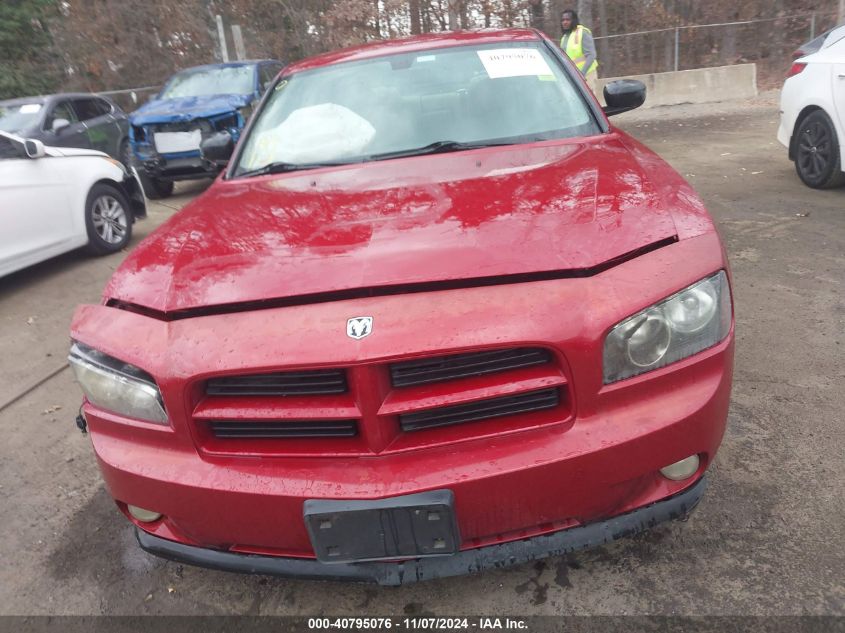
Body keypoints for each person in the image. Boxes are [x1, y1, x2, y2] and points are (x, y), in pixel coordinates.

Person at [560, 9, 598, 93]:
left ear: (574, 20)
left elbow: (591, 55)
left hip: (587, 75)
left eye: (567, 20)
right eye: (563, 20)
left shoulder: (583, 32)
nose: (564, 22)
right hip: (573, 76)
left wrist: (582, 74)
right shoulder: (564, 37)